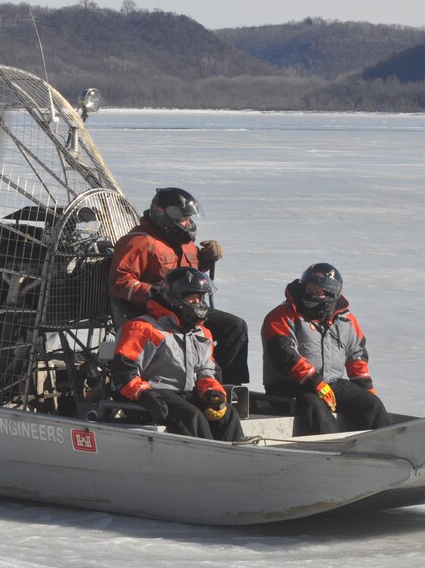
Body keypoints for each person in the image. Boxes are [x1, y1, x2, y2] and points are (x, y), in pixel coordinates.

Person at [108, 187, 249, 385]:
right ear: (164, 214)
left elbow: (190, 275)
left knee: (234, 326)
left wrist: (208, 258)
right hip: (158, 316)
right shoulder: (138, 242)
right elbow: (120, 282)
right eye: (183, 218)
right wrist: (157, 295)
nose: (188, 223)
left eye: (189, 218)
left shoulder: (183, 243)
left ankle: (229, 386)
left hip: (187, 310)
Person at [111, 267, 245, 441]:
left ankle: (236, 453)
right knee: (193, 417)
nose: (198, 303)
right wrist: (146, 395)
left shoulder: (201, 333)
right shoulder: (144, 329)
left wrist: (212, 393)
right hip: (152, 395)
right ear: (175, 298)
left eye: (200, 298)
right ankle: (204, 458)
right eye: (192, 298)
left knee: (226, 414)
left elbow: (206, 370)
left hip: (184, 393)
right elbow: (124, 373)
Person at [262, 263, 389, 436]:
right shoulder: (281, 316)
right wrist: (316, 382)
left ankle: (382, 446)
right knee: (314, 405)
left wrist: (365, 388)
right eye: (308, 290)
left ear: (331, 295)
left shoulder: (346, 320)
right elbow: (284, 355)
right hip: (289, 386)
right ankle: (329, 450)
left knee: (371, 404)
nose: (311, 296)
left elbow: (356, 355)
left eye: (317, 292)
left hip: (331, 382)